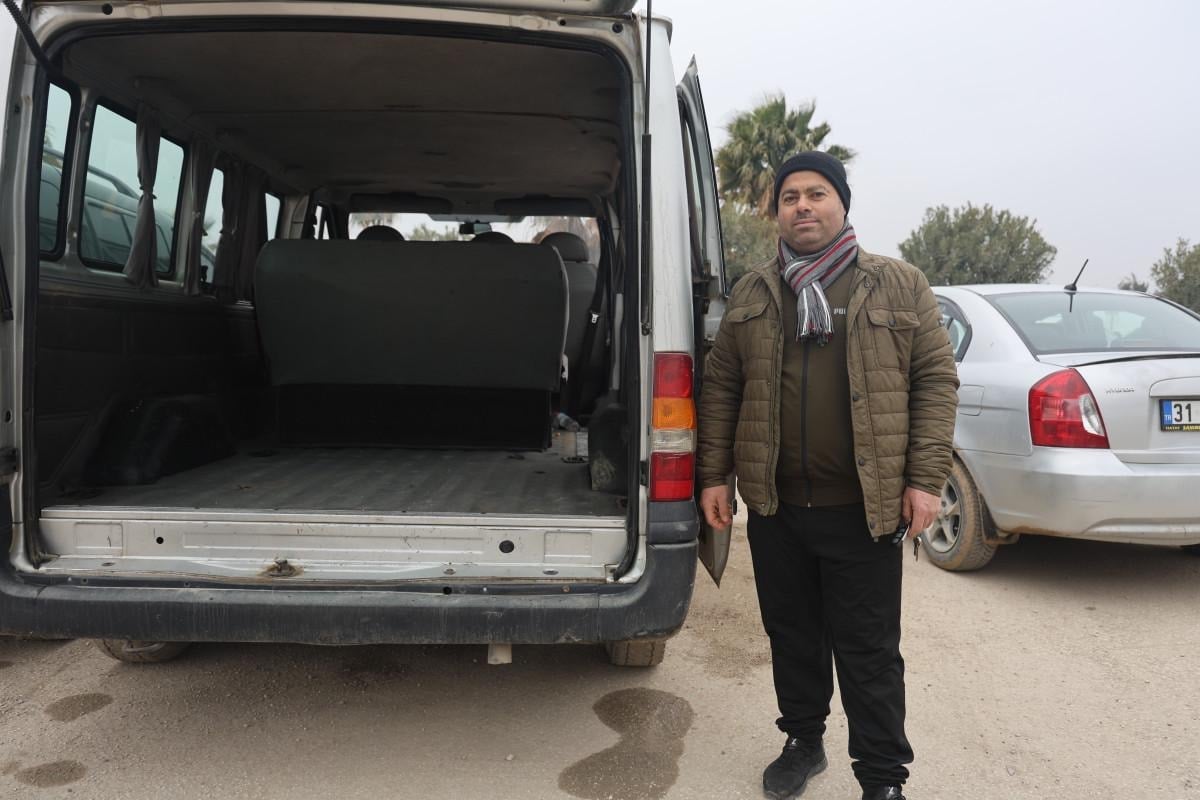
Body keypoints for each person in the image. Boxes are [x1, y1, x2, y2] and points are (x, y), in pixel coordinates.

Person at [697, 152, 959, 800]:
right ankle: (803, 742)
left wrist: (925, 479)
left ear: (842, 204)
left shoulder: (898, 284)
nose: (803, 206)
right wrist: (713, 475)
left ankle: (882, 778)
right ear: (777, 212)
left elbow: (935, 381)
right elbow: (722, 386)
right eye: (790, 197)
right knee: (792, 637)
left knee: (869, 650)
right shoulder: (754, 293)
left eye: (817, 193)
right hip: (778, 508)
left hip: (862, 510)